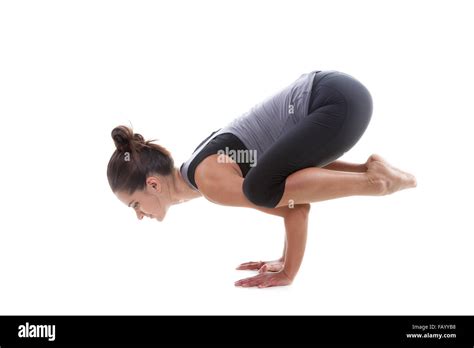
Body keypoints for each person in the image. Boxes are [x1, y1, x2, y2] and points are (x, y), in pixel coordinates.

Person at [107, 70, 417, 288]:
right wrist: (283, 258)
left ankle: (376, 182)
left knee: (259, 188)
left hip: (334, 102)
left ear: (153, 184)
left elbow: (297, 207)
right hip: (339, 95)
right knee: (264, 182)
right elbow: (291, 182)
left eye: (134, 203)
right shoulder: (202, 165)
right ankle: (370, 171)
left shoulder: (210, 181)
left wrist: (288, 272)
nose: (138, 214)